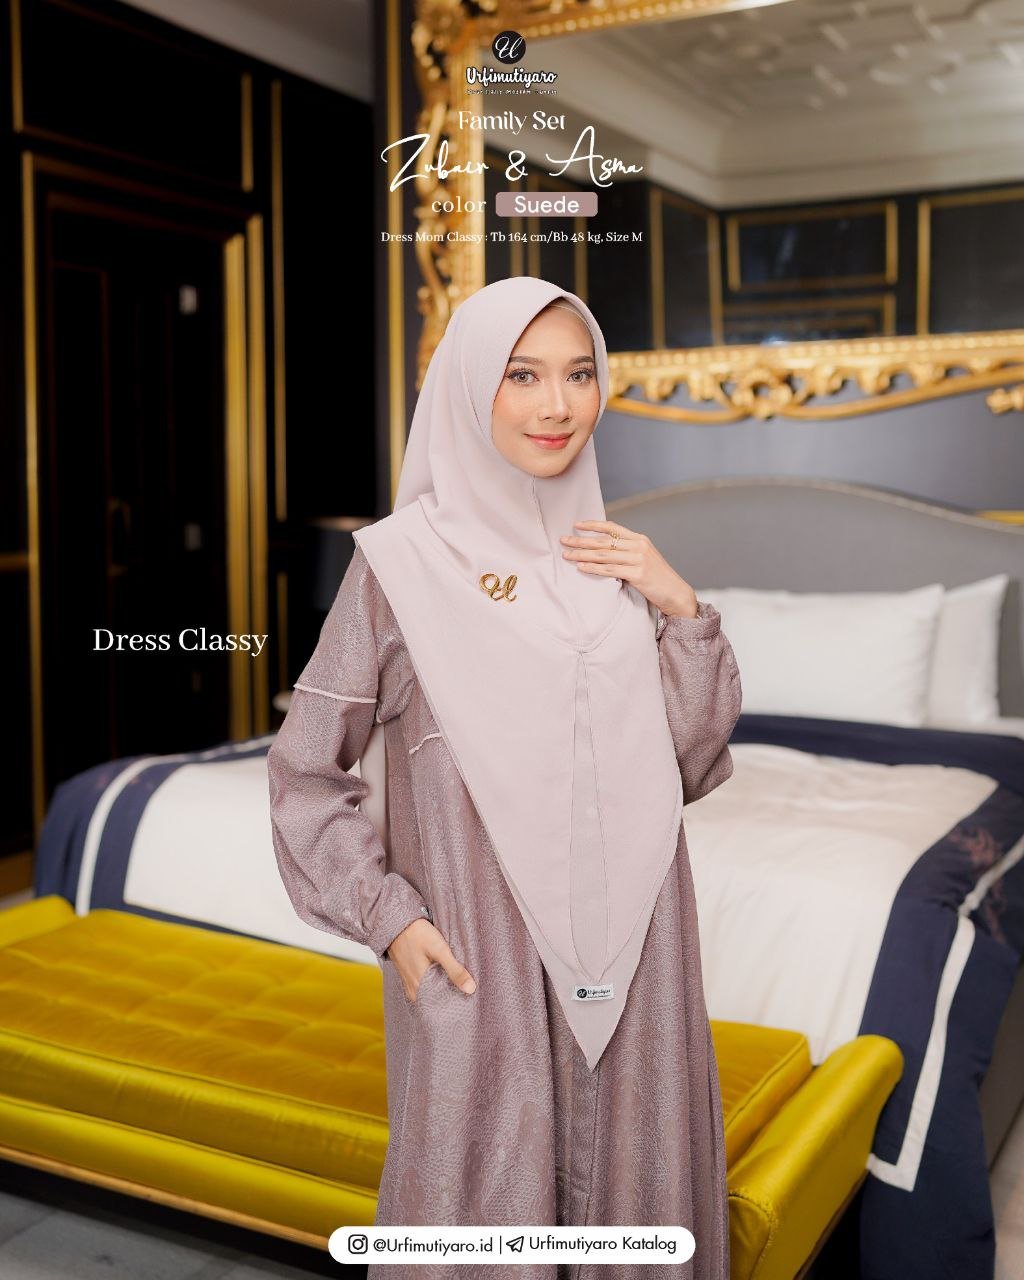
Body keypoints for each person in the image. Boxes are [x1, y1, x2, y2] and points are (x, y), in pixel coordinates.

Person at [267, 276, 742, 1279]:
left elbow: (688, 766)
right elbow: (304, 765)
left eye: (579, 374)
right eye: (522, 375)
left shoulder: (614, 559)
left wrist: (680, 608)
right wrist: (389, 917)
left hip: (638, 954)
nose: (557, 405)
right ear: (468, 386)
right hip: (479, 955)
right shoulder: (399, 566)